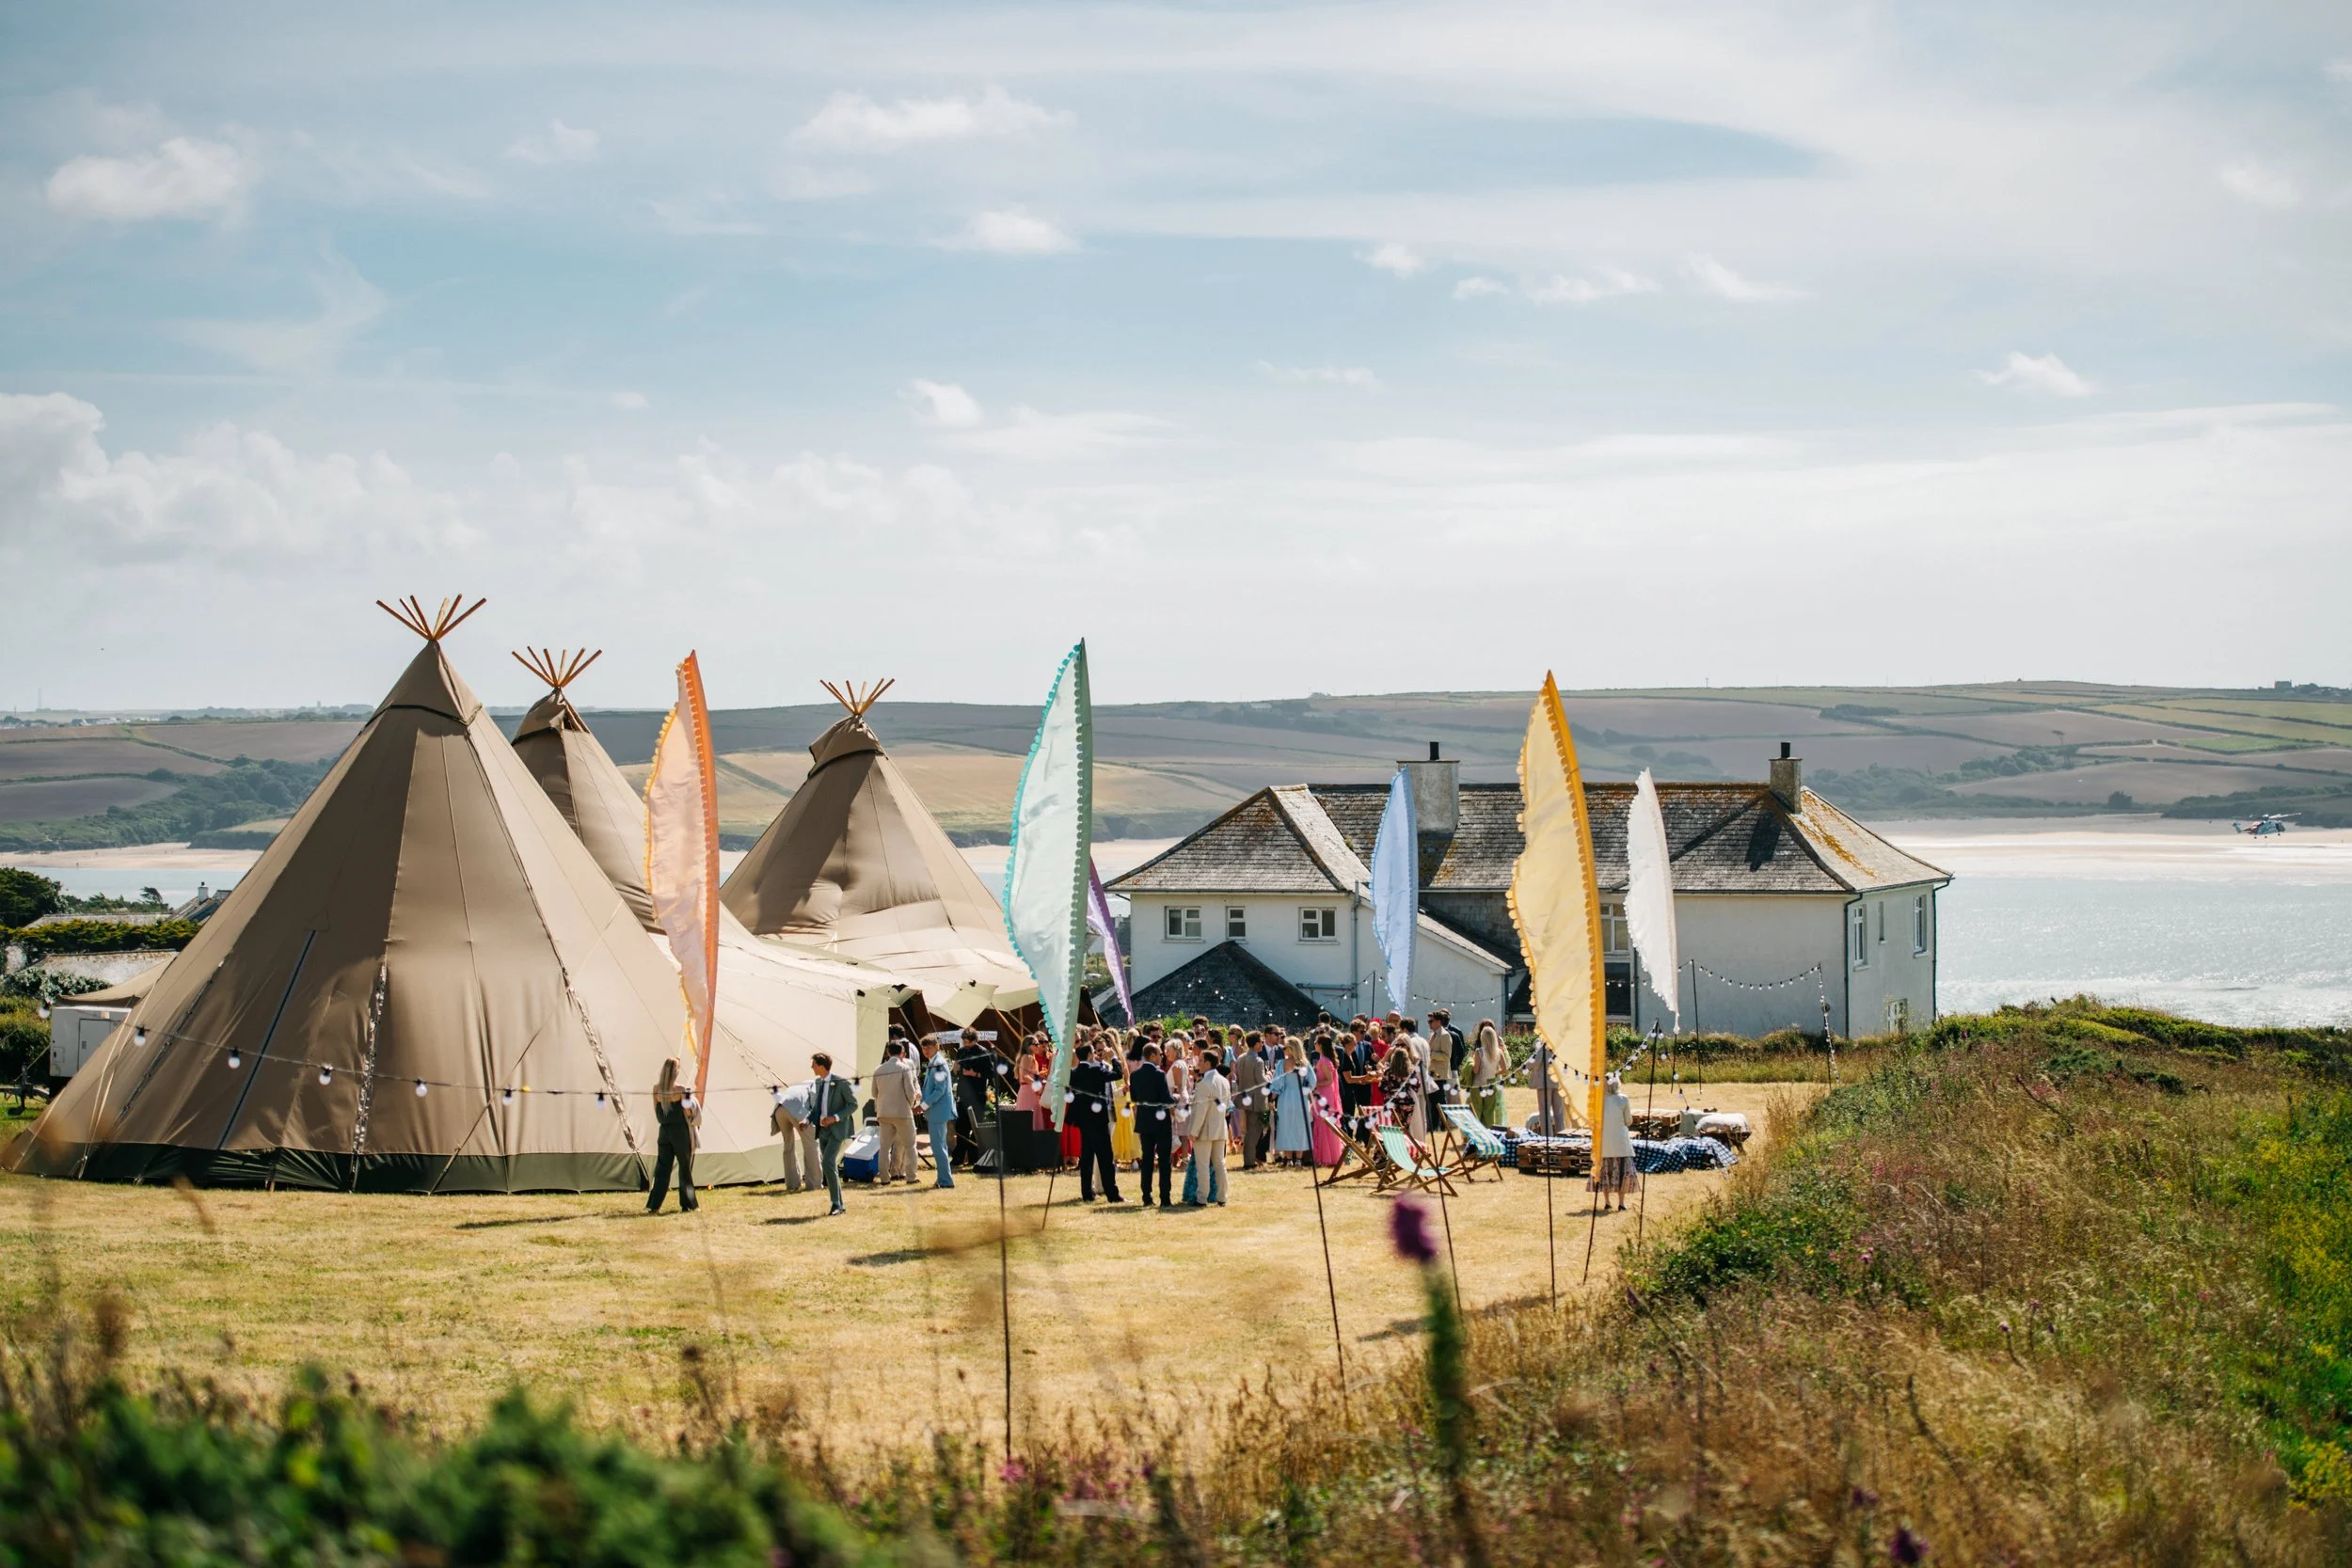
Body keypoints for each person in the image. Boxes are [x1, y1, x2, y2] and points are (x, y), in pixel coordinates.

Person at [1067, 1040, 1124, 1202]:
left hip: (1083, 1119)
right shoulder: (1096, 1070)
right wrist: (1114, 1058)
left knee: (1087, 1157)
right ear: (1089, 1054)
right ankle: (1112, 1194)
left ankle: (1087, 1193)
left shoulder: (1074, 1072)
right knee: (1105, 1157)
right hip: (1098, 1119)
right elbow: (1118, 1074)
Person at [808, 1052, 859, 1216]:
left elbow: (853, 1104)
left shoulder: (840, 1082)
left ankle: (836, 1203)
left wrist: (835, 1117)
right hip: (822, 1130)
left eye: (813, 1064)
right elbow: (817, 1107)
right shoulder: (818, 1083)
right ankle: (839, 1204)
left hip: (837, 1130)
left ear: (821, 1066)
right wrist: (806, 1120)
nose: (811, 1067)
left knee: (828, 1163)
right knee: (830, 1166)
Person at [647, 1057, 700, 1213]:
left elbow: (656, 1111)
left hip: (664, 1132)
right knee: (684, 1169)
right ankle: (688, 1205)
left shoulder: (656, 1089)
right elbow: (688, 1111)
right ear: (676, 1072)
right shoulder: (682, 1090)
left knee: (662, 1169)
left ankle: (654, 1205)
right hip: (680, 1132)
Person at [1185, 1040, 1232, 1207]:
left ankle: (1202, 1198)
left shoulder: (1204, 1083)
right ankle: (1222, 1197)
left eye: (1201, 1060)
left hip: (1205, 1129)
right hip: (1220, 1127)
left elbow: (1201, 1110)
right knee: (1220, 1164)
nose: (1198, 1063)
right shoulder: (1224, 1081)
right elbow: (1226, 1106)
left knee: (1203, 1166)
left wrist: (1194, 1131)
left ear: (1207, 1063)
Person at [1130, 1042, 1176, 1206]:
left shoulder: (1135, 1075)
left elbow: (1134, 1098)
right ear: (1152, 1056)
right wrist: (1176, 1099)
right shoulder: (1159, 1074)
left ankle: (1146, 1196)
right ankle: (1165, 1197)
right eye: (1159, 1054)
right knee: (1164, 1161)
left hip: (1144, 1121)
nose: (1161, 1057)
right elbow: (1166, 1099)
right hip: (1161, 1122)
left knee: (1147, 1160)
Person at [870, 1037, 919, 1184]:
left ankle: (885, 1178)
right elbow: (910, 1092)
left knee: (884, 1148)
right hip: (902, 1112)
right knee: (910, 1145)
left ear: (888, 1053)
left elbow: (874, 1093)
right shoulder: (904, 1068)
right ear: (902, 1053)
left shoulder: (878, 1069)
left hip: (883, 1112)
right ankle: (911, 1176)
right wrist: (911, 1104)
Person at [917, 1034, 958, 1188]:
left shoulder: (939, 1064)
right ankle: (943, 1178)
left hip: (938, 1112)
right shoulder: (933, 1062)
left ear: (936, 1047)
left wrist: (923, 1106)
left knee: (938, 1146)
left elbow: (939, 1090)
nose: (926, 1050)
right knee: (940, 1146)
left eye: (929, 1047)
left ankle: (945, 1180)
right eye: (923, 1048)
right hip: (937, 1112)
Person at [1592, 1071, 1633, 1212]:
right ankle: (1621, 1203)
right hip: (1620, 1141)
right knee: (1622, 1173)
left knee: (1605, 1173)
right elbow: (1628, 1121)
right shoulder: (1623, 1099)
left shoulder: (1599, 1101)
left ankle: (1607, 1201)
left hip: (1604, 1142)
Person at [771, 1076, 818, 1193]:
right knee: (811, 1144)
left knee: (788, 1146)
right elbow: (814, 1104)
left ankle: (792, 1184)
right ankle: (814, 1184)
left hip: (779, 1110)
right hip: (796, 1110)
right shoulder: (816, 1085)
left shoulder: (796, 1086)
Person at [1230, 1034, 1269, 1171]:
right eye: (1261, 1042)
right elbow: (1261, 1081)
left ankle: (1249, 1160)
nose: (1262, 1044)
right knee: (1254, 1131)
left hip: (1244, 1098)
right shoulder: (1258, 1060)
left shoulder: (1241, 1058)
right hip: (1256, 1100)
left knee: (1249, 1131)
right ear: (1257, 1044)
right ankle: (1249, 1161)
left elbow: (1238, 1078)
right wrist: (1269, 1076)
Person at [1271, 1040, 1313, 1165]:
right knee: (1300, 1127)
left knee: (1286, 1127)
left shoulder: (1282, 1063)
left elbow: (1277, 1083)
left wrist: (1272, 1099)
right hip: (1301, 1098)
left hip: (1286, 1097)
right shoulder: (1305, 1064)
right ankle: (1298, 1159)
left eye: (1285, 1047)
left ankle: (1289, 1159)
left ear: (1292, 1048)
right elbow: (1313, 1081)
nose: (1283, 1050)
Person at [1311, 1036, 1344, 1166]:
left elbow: (1329, 1080)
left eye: (1316, 1042)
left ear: (1321, 1045)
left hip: (1325, 1093)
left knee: (1323, 1122)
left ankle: (1325, 1156)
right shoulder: (1326, 1059)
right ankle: (1328, 1155)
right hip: (1326, 1093)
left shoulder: (1323, 1061)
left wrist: (1314, 1084)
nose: (1314, 1044)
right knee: (1325, 1122)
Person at [1111, 1035, 1142, 1169]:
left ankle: (1134, 1158)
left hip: (1123, 1093)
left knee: (1128, 1125)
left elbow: (1126, 1075)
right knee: (1116, 1127)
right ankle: (1115, 1159)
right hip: (1112, 1093)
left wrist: (1126, 1086)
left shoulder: (1119, 1057)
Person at [1470, 1020, 1508, 1127]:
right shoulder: (1499, 1051)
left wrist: (1470, 1065)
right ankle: (1489, 1131)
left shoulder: (1479, 1051)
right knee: (1489, 1112)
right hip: (1491, 1083)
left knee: (1476, 1110)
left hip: (1478, 1083)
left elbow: (1476, 1070)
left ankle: (1477, 1131)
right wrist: (1495, 1073)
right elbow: (1504, 1069)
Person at [1427, 1009, 1465, 1101]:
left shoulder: (1448, 1034)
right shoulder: (1433, 1034)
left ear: (1439, 1021)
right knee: (1438, 1099)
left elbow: (1459, 1053)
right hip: (1436, 1072)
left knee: (1451, 1099)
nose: (1429, 1024)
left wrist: (1455, 1064)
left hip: (1446, 1071)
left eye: (1431, 1021)